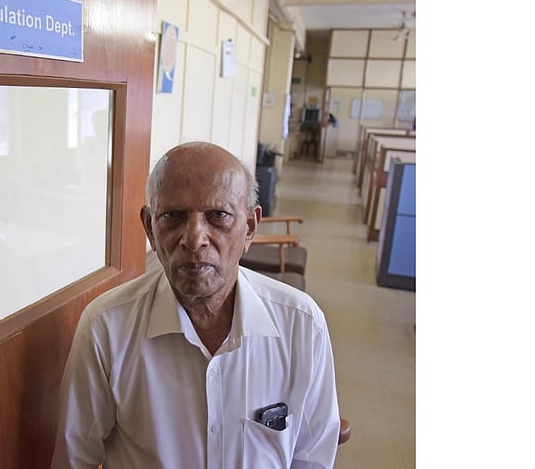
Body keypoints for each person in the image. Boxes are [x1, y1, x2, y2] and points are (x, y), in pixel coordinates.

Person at [51, 142, 340, 468]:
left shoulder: (301, 325)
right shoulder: (107, 328)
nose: (194, 237)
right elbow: (74, 460)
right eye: (172, 216)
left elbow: (311, 458)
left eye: (218, 216)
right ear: (149, 227)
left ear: (249, 228)